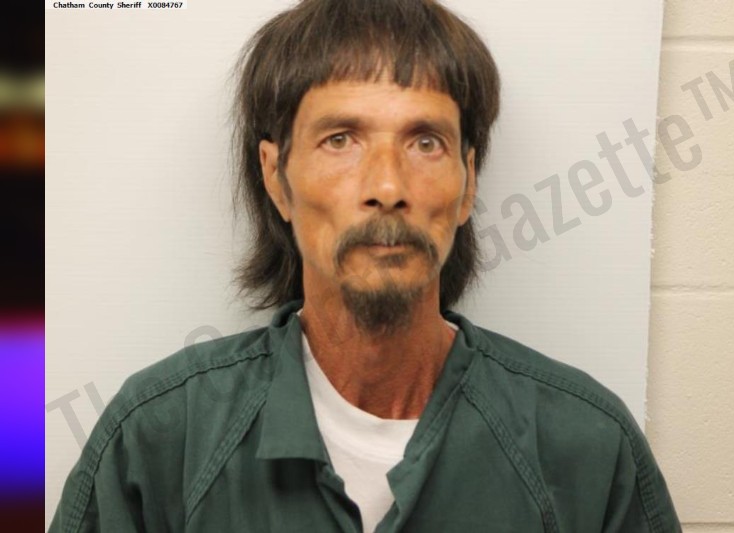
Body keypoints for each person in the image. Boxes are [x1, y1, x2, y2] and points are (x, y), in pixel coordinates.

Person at [49, 0, 681, 531]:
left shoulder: (586, 449)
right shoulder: (159, 440)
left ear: (467, 184)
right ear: (276, 176)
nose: (387, 186)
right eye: (340, 139)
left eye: (425, 142)